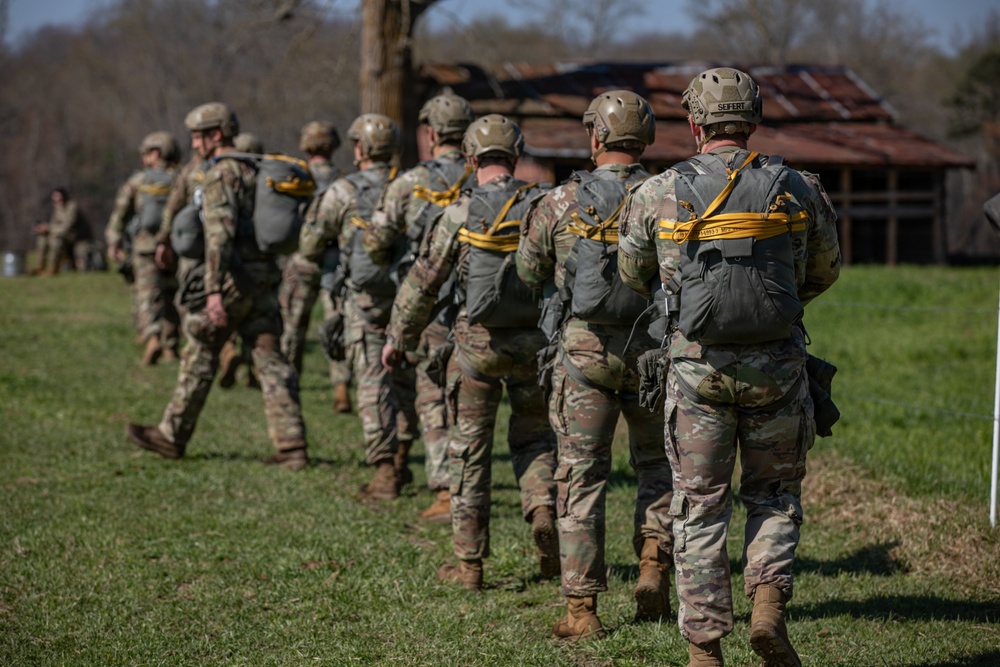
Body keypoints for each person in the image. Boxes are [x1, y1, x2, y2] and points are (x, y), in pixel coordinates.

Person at [617, 67, 841, 667]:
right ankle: (767, 607)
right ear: (753, 120)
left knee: (699, 502)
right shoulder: (796, 185)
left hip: (695, 369)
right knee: (773, 495)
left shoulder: (654, 192)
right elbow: (823, 269)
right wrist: (773, 310)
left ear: (694, 123)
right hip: (777, 365)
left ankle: (704, 650)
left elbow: (633, 274)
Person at [515, 91, 673, 638]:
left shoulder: (559, 202)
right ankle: (653, 564)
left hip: (584, 356)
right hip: (654, 352)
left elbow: (529, 270)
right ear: (645, 138)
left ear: (595, 137)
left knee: (581, 477)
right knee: (658, 466)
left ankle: (581, 610)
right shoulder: (669, 196)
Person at [382, 114, 558, 591]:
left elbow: (423, 284)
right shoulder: (542, 205)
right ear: (516, 156)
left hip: (476, 349)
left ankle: (470, 565)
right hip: (534, 346)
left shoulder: (458, 212)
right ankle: (542, 508)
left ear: (470, 159)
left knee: (470, 452)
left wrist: (398, 338)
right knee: (536, 439)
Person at [127, 102, 310, 471]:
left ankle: (172, 435)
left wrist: (212, 291)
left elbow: (219, 236)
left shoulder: (220, 174)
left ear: (215, 135)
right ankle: (292, 446)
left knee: (199, 350)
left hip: (231, 280)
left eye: (198, 136)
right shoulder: (253, 167)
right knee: (271, 359)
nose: (194, 145)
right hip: (261, 279)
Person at [363, 93, 476, 522]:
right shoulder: (482, 178)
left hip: (429, 301)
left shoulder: (409, 182)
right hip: (481, 303)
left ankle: (447, 490)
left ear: (429, 134)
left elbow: (375, 243)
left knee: (431, 390)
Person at [297, 113, 417, 497]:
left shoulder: (342, 190)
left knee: (371, 381)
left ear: (360, 149)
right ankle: (404, 456)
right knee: (406, 377)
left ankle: (384, 471)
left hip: (363, 300)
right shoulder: (413, 185)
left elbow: (311, 244)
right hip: (409, 297)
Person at [278, 121, 353, 412]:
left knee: (293, 325)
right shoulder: (345, 180)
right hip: (336, 261)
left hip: (302, 259)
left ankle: (290, 379)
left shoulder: (295, 177)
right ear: (334, 146)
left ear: (305, 146)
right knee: (336, 325)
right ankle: (341, 386)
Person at [106, 132, 182, 365]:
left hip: (144, 247)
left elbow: (120, 213)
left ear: (156, 153)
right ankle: (171, 346)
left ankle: (152, 337)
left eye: (146, 153)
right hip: (175, 247)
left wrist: (114, 240)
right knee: (172, 295)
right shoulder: (181, 179)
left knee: (147, 293)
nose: (143, 158)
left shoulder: (138, 181)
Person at [34, 187, 89, 275]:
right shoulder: (57, 209)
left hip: (74, 237)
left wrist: (49, 228)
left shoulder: (72, 207)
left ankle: (53, 268)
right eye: (54, 197)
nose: (57, 200)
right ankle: (41, 267)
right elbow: (54, 224)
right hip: (61, 235)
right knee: (42, 239)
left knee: (56, 242)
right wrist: (44, 229)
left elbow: (67, 226)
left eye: (58, 197)